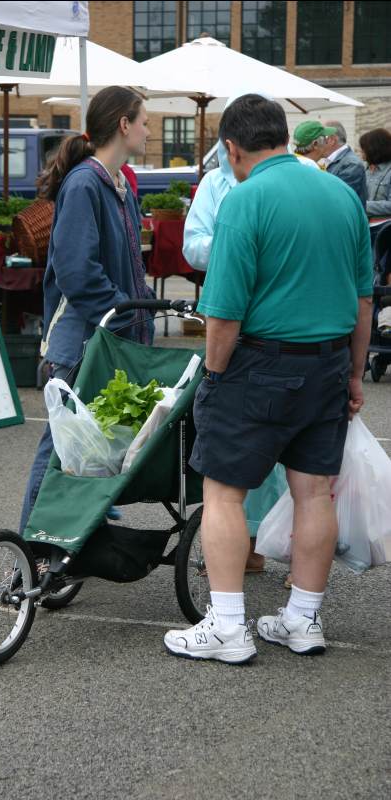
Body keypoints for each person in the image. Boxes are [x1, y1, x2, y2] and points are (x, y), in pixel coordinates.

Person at [164, 94, 373, 664]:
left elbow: (224, 309)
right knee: (313, 492)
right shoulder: (341, 195)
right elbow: (362, 299)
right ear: (283, 136)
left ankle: (228, 626)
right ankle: (303, 620)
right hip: (328, 362)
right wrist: (355, 374)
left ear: (232, 148)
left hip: (257, 363)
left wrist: (213, 374)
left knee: (223, 492)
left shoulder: (244, 200)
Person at [19, 86, 155, 534]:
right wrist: (128, 312)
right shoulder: (85, 183)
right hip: (81, 342)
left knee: (89, 448)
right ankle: (33, 551)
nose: (148, 130)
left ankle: (74, 540)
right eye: (144, 121)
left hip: (106, 339)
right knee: (60, 450)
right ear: (123, 125)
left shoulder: (116, 184)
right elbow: (78, 273)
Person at [184, 136, 286, 575]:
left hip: (269, 325)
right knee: (248, 440)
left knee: (271, 447)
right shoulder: (214, 184)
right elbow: (194, 245)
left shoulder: (289, 181)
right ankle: (243, 545)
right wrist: (236, 245)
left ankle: (264, 543)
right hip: (245, 321)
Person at [321, 120, 367, 203]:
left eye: (321, 139)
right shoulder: (331, 160)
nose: (318, 143)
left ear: (331, 140)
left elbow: (338, 197)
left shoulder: (351, 164)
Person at [359, 127, 391, 218]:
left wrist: (362, 205)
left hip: (383, 228)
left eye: (364, 149)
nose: (361, 152)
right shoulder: (362, 168)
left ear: (375, 149)